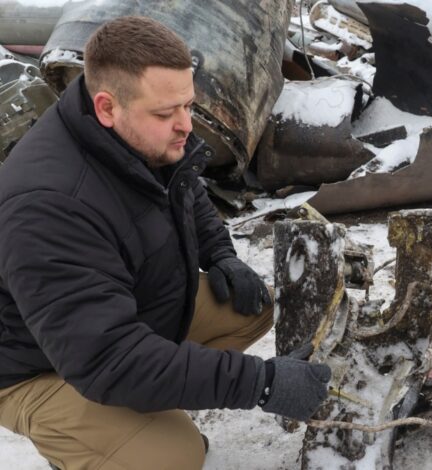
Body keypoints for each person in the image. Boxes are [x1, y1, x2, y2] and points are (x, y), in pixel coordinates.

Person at [0, 16, 330, 469]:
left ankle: (138, 403)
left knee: (247, 305)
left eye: (188, 106)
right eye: (165, 113)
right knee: (173, 457)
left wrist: (222, 255)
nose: (184, 126)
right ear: (106, 107)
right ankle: (88, 439)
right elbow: (107, 356)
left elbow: (185, 188)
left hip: (107, 318)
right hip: (32, 367)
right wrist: (261, 384)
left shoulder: (138, 134)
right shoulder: (47, 205)